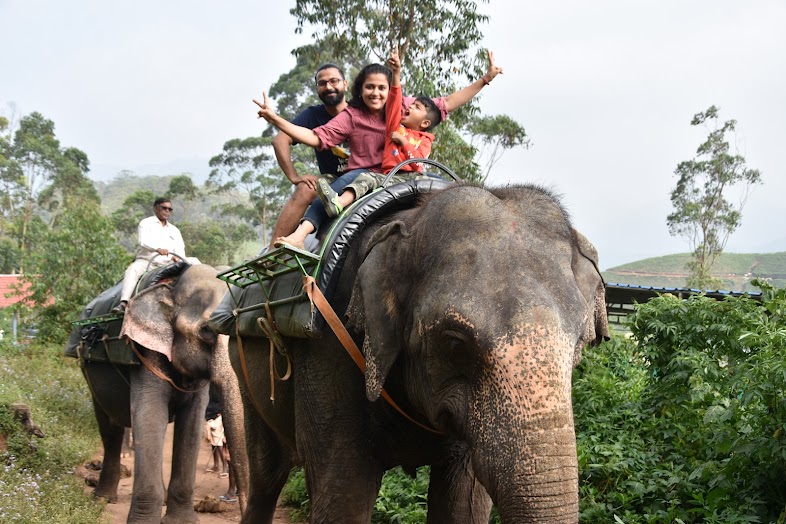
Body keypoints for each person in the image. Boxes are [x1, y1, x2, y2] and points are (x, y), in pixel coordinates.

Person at [254, 49, 504, 250]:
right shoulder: (351, 115)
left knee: (453, 186)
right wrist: (277, 120)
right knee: (333, 188)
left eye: (381, 88)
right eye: (369, 88)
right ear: (360, 90)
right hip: (364, 173)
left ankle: (488, 227)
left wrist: (486, 79)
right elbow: (317, 138)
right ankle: (299, 235)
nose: (375, 93)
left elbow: (445, 103)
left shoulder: (403, 107)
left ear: (389, 90)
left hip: (400, 173)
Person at [315, 49, 441, 217]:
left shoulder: (424, 140)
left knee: (444, 185)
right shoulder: (395, 125)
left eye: (416, 107)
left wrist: (404, 142)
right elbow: (396, 98)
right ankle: (337, 203)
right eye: (369, 87)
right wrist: (396, 73)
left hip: (410, 177)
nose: (409, 106)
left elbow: (418, 164)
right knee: (365, 178)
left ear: (425, 123)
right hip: (388, 175)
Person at [267, 63, 355, 249]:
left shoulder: (359, 111)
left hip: (362, 175)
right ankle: (270, 254)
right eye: (322, 83)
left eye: (334, 81)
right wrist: (294, 176)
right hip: (332, 179)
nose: (329, 87)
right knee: (304, 189)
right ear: (317, 89)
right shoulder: (313, 115)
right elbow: (280, 140)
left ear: (345, 84)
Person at [112, 198, 186, 314]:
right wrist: (157, 248)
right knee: (132, 270)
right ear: (156, 208)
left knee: (193, 262)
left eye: (170, 209)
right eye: (164, 208)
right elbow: (143, 241)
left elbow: (180, 249)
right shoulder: (146, 223)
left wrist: (179, 258)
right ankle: (124, 303)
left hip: (168, 264)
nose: (167, 211)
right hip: (147, 262)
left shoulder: (174, 230)